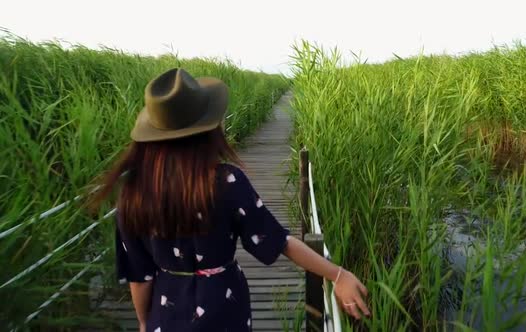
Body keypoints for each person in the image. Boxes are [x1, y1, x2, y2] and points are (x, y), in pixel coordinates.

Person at [91, 68, 370, 331]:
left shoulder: (132, 192)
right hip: (223, 307)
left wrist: (143, 322)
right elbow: (277, 241)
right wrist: (338, 274)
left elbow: (140, 278)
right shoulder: (226, 182)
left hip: (166, 312)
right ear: (207, 131)